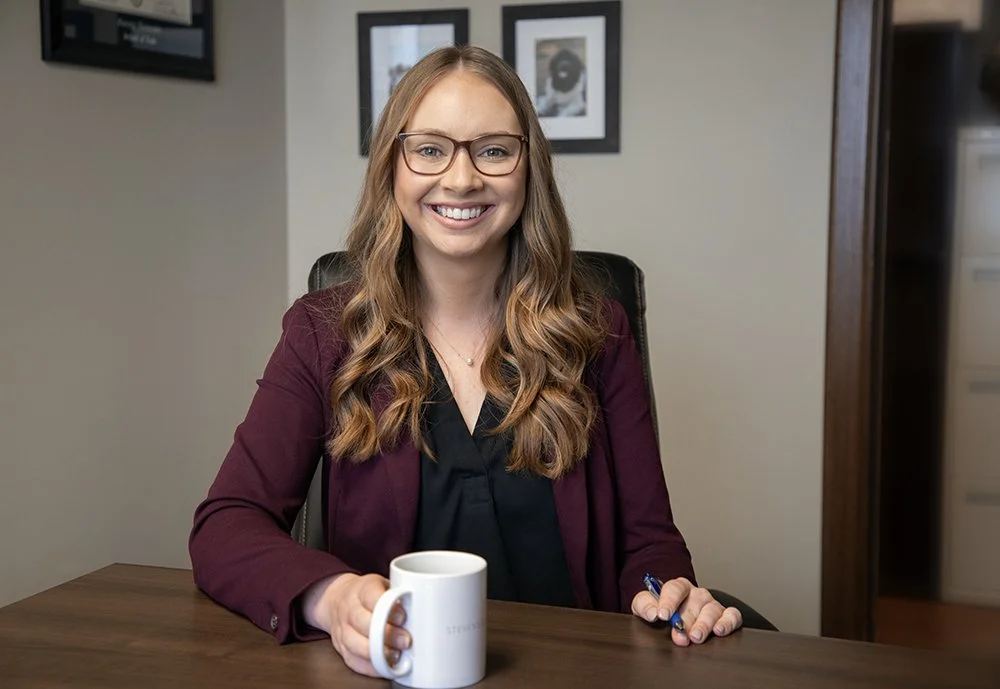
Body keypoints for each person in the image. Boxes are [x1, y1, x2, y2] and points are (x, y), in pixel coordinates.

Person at [189, 44, 743, 678]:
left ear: (528, 168)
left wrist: (668, 590)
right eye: (429, 149)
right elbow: (226, 525)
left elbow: (650, 546)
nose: (460, 179)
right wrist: (331, 596)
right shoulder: (323, 334)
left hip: (571, 675)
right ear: (392, 169)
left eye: (493, 150)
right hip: (391, 675)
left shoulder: (597, 333)